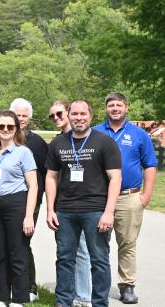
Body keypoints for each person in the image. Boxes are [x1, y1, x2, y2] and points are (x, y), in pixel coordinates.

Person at [46, 100, 122, 307]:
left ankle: (99, 303)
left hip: (95, 211)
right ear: (69, 116)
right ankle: (63, 302)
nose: (79, 118)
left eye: (83, 114)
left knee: (99, 261)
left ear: (91, 116)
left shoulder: (105, 142)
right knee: (64, 260)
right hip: (64, 211)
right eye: (75, 114)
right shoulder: (58, 143)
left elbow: (115, 178)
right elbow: (51, 177)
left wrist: (109, 212)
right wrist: (50, 209)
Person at [93, 92, 157, 304]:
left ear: (126, 108)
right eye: (111, 105)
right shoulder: (95, 132)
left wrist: (146, 195)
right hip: (99, 196)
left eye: (119, 105)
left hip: (129, 197)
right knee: (97, 243)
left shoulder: (139, 135)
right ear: (106, 109)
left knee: (127, 243)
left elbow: (150, 165)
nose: (115, 108)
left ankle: (127, 285)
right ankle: (97, 284)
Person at [0, 110, 38, 307]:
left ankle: (19, 299)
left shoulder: (23, 152)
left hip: (16, 204)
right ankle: (1, 297)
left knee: (18, 253)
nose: (5, 130)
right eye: (1, 126)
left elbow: (33, 186)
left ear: (16, 129)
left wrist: (29, 216)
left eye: (10, 126)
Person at [50, 100, 91, 307]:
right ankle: (66, 296)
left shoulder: (86, 138)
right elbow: (52, 176)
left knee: (82, 250)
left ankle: (83, 297)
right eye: (52, 116)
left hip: (85, 205)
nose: (56, 118)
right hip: (62, 206)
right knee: (65, 253)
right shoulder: (60, 141)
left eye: (59, 114)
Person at [9, 97, 49, 302]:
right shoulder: (5, 138)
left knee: (22, 243)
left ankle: (30, 287)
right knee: (10, 244)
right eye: (18, 115)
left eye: (25, 116)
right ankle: (12, 284)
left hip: (30, 201)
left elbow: (46, 173)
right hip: (8, 201)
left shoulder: (37, 143)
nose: (21, 119)